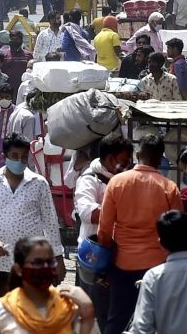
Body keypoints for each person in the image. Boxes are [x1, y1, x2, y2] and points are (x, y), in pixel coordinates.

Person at [97, 134, 182, 334]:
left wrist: (106, 265)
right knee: (156, 323)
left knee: (117, 319)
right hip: (158, 266)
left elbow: (104, 231)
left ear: (137, 155)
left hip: (122, 264)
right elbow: (178, 232)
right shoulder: (169, 188)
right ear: (160, 158)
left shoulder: (117, 183)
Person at [0, 133, 65, 298]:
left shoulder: (39, 183)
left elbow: (50, 222)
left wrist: (58, 258)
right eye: (14, 156)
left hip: (32, 262)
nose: (20, 161)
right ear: (4, 156)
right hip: (0, 261)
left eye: (24, 157)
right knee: (6, 306)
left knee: (32, 308)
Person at [75, 133, 133, 331]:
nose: (128, 166)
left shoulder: (127, 180)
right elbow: (86, 212)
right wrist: (123, 213)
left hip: (122, 258)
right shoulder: (90, 179)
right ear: (109, 160)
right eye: (124, 161)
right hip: (95, 261)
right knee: (93, 316)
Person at [0, 236, 95, 334]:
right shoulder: (1, 311)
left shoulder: (71, 307)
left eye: (50, 262)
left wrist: (88, 309)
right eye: (37, 263)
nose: (45, 267)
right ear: (19, 269)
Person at [0, 31, 33, 98]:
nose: (14, 41)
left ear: (21, 40)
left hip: (23, 88)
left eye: (17, 39)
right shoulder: (4, 55)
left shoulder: (28, 55)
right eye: (12, 39)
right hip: (8, 90)